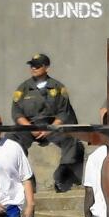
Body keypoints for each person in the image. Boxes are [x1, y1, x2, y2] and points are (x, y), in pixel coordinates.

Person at [9, 53, 84, 192]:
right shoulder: (23, 88)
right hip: (30, 127)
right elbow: (17, 112)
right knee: (11, 140)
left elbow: (63, 112)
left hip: (53, 127)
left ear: (46, 67)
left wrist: (50, 129)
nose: (33, 68)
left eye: (37, 65)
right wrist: (30, 127)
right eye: (31, 65)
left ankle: (62, 176)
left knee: (72, 140)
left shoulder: (58, 87)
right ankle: (25, 178)